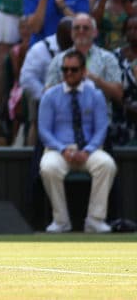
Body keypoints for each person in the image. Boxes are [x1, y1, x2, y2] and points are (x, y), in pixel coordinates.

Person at [38, 50, 117, 233]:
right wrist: (63, 149)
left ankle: (95, 220)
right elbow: (44, 131)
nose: (68, 74)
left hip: (88, 150)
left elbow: (101, 129)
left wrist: (87, 150)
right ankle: (61, 221)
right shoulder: (50, 96)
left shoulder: (96, 96)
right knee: (48, 167)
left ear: (83, 71)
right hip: (58, 151)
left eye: (73, 70)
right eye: (65, 69)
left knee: (107, 164)